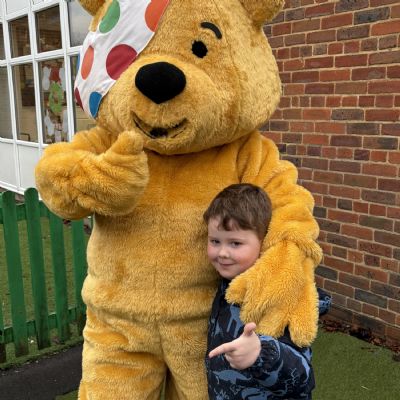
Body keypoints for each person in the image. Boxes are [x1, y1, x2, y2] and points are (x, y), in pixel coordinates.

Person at [203, 183, 331, 400]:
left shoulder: (279, 294)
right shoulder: (227, 283)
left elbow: (303, 379)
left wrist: (261, 354)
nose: (222, 252)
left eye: (235, 243)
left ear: (263, 243)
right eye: (215, 241)